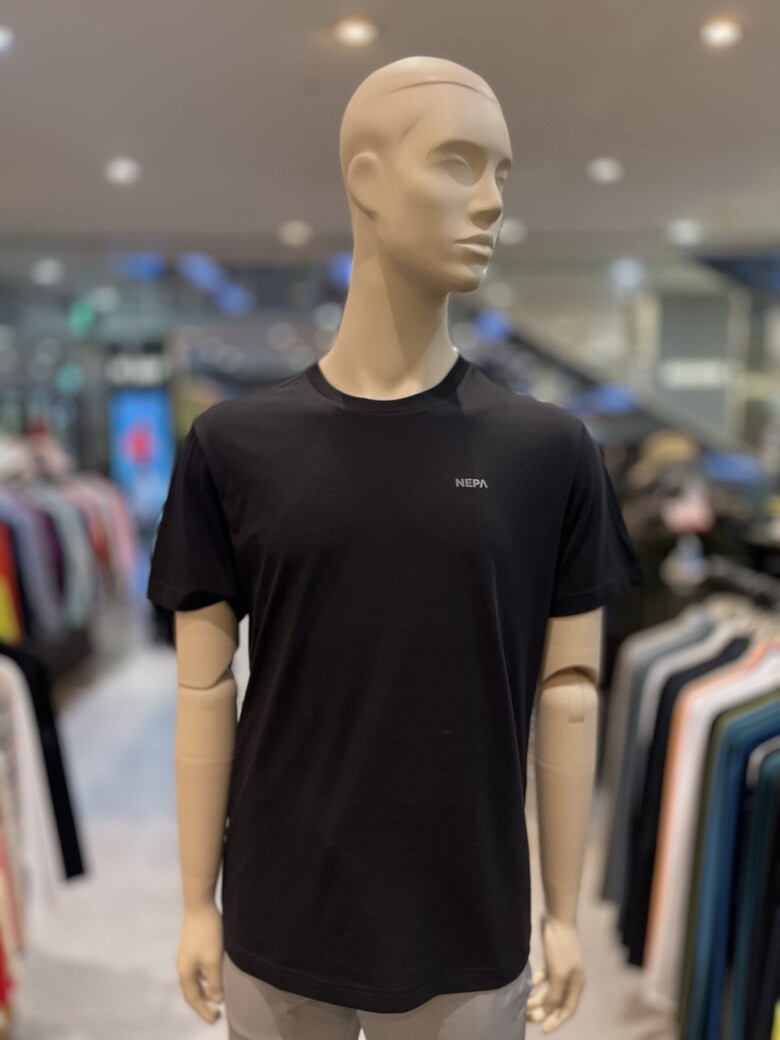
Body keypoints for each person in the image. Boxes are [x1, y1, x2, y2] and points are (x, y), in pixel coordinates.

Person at [147, 55, 643, 1039]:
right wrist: (198, 899)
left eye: (502, 173)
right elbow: (204, 688)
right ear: (366, 179)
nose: (492, 201)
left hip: (468, 914)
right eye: (459, 163)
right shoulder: (234, 446)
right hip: (281, 906)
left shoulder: (550, 450)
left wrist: (561, 914)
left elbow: (570, 690)